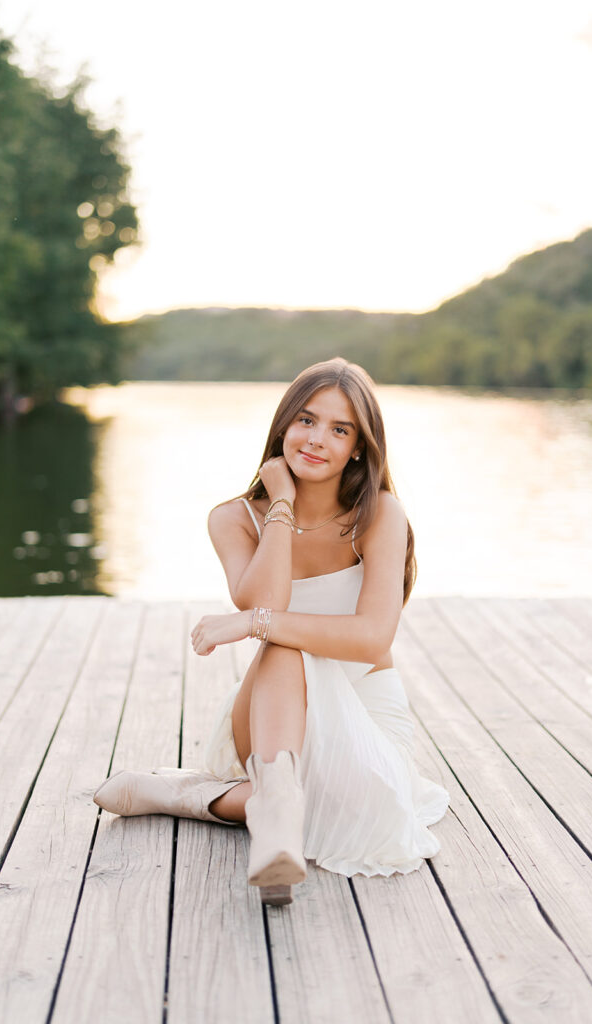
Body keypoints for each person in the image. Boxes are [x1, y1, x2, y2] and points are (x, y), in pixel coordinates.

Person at [94, 358, 450, 906]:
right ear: (284, 424)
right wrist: (280, 503)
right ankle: (276, 810)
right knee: (285, 643)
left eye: (340, 429)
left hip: (369, 709)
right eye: (306, 421)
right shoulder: (234, 519)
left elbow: (372, 639)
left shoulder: (380, 514)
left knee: (361, 798)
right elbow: (266, 601)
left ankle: (190, 795)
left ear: (359, 446)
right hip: (271, 719)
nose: (316, 439)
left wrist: (254, 624)